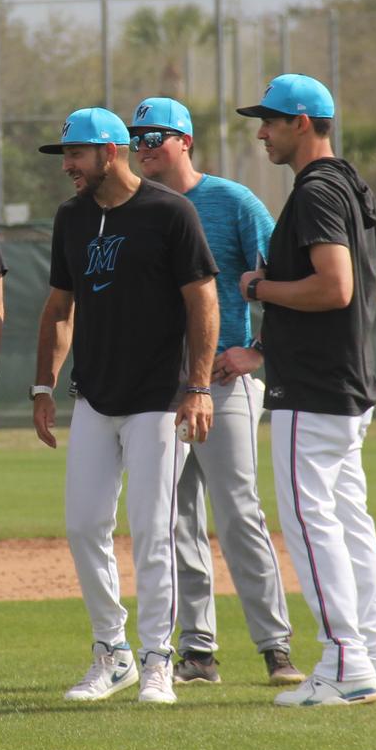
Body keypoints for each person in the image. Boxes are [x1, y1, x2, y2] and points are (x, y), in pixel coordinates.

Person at [31, 107, 218, 706]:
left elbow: (203, 302)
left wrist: (198, 386)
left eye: (76, 154)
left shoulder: (169, 212)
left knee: (152, 530)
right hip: (95, 396)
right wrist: (42, 387)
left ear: (109, 152)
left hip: (158, 400)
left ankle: (158, 657)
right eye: (66, 155)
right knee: (85, 525)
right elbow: (60, 308)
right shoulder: (72, 218)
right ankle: (112, 653)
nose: (68, 166)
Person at [128, 96, 303, 689]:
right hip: (161, 387)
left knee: (237, 514)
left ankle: (276, 646)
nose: (144, 147)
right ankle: (197, 650)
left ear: (186, 142)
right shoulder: (135, 206)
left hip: (225, 384)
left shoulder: (230, 202)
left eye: (156, 136)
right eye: (136, 137)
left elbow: (288, 275)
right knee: (173, 519)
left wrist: (259, 351)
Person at [235, 74, 376, 708]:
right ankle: (375, 659)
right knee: (350, 522)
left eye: (271, 120)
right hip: (349, 381)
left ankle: (343, 661)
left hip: (314, 385)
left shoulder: (315, 191)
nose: (262, 131)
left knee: (311, 523)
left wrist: (261, 289)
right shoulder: (353, 185)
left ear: (302, 123)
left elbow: (338, 288)